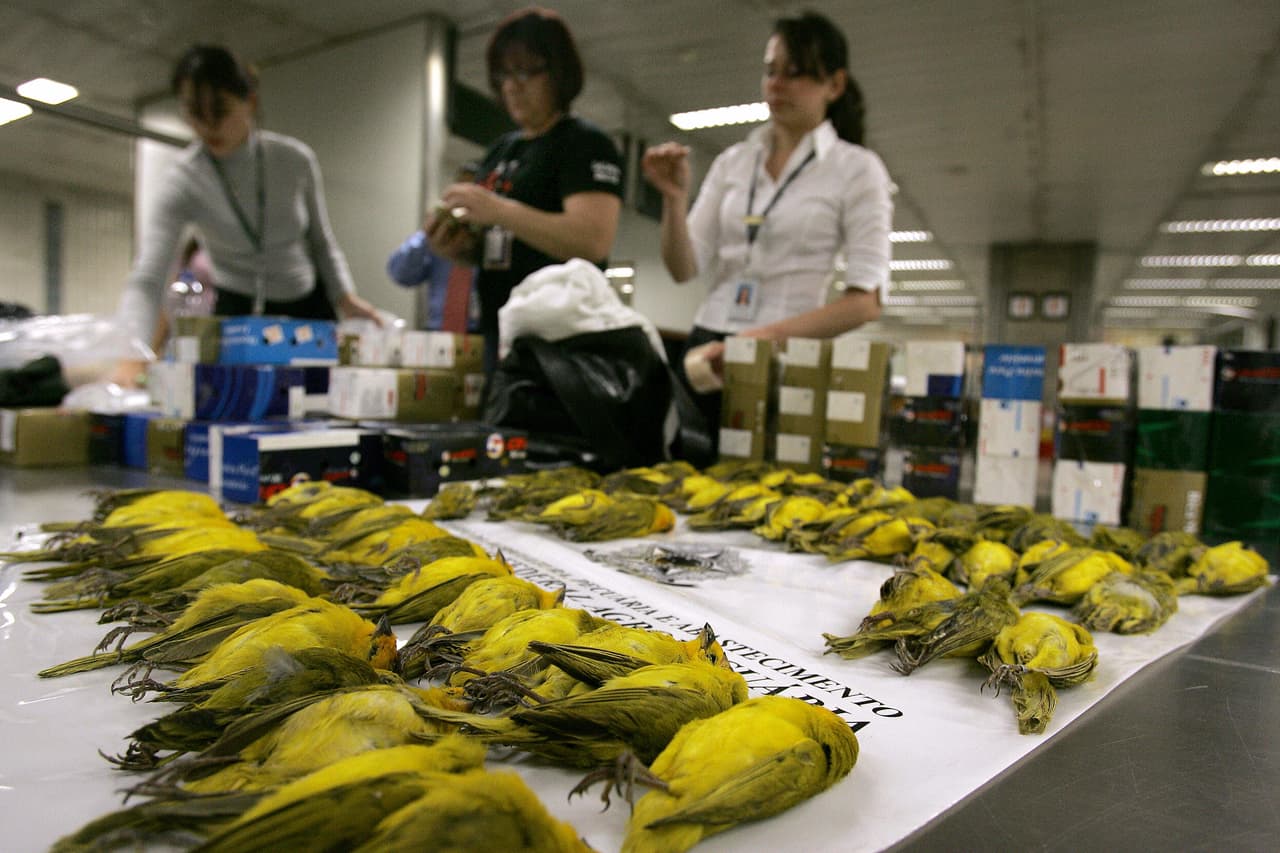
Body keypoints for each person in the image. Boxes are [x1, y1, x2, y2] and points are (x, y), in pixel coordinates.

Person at [642, 10, 891, 435]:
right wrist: (673, 201)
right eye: (770, 71)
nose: (777, 84)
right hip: (709, 345)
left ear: (835, 84)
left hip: (786, 355)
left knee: (767, 487)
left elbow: (865, 301)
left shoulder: (857, 169)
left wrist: (759, 339)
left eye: (796, 73)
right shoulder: (733, 162)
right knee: (689, 480)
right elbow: (683, 269)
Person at [113, 44, 381, 384]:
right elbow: (149, 276)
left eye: (220, 110)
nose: (209, 126)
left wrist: (345, 297)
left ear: (249, 101)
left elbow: (321, 241)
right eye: (195, 113)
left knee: (321, 397)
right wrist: (131, 351)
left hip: (306, 304)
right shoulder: (183, 180)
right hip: (237, 310)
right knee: (236, 402)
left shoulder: (294, 161)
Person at [424, 6, 624, 373]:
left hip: (560, 344)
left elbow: (592, 241)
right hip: (498, 332)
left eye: (525, 71)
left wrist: (499, 209)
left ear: (558, 73)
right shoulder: (501, 151)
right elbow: (496, 246)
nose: (511, 85)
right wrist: (455, 245)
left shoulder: (585, 144)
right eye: (502, 74)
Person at [386, 164, 481, 333]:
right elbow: (400, 274)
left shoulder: (494, 238)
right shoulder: (438, 238)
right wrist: (428, 233)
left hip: (482, 333)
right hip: (437, 332)